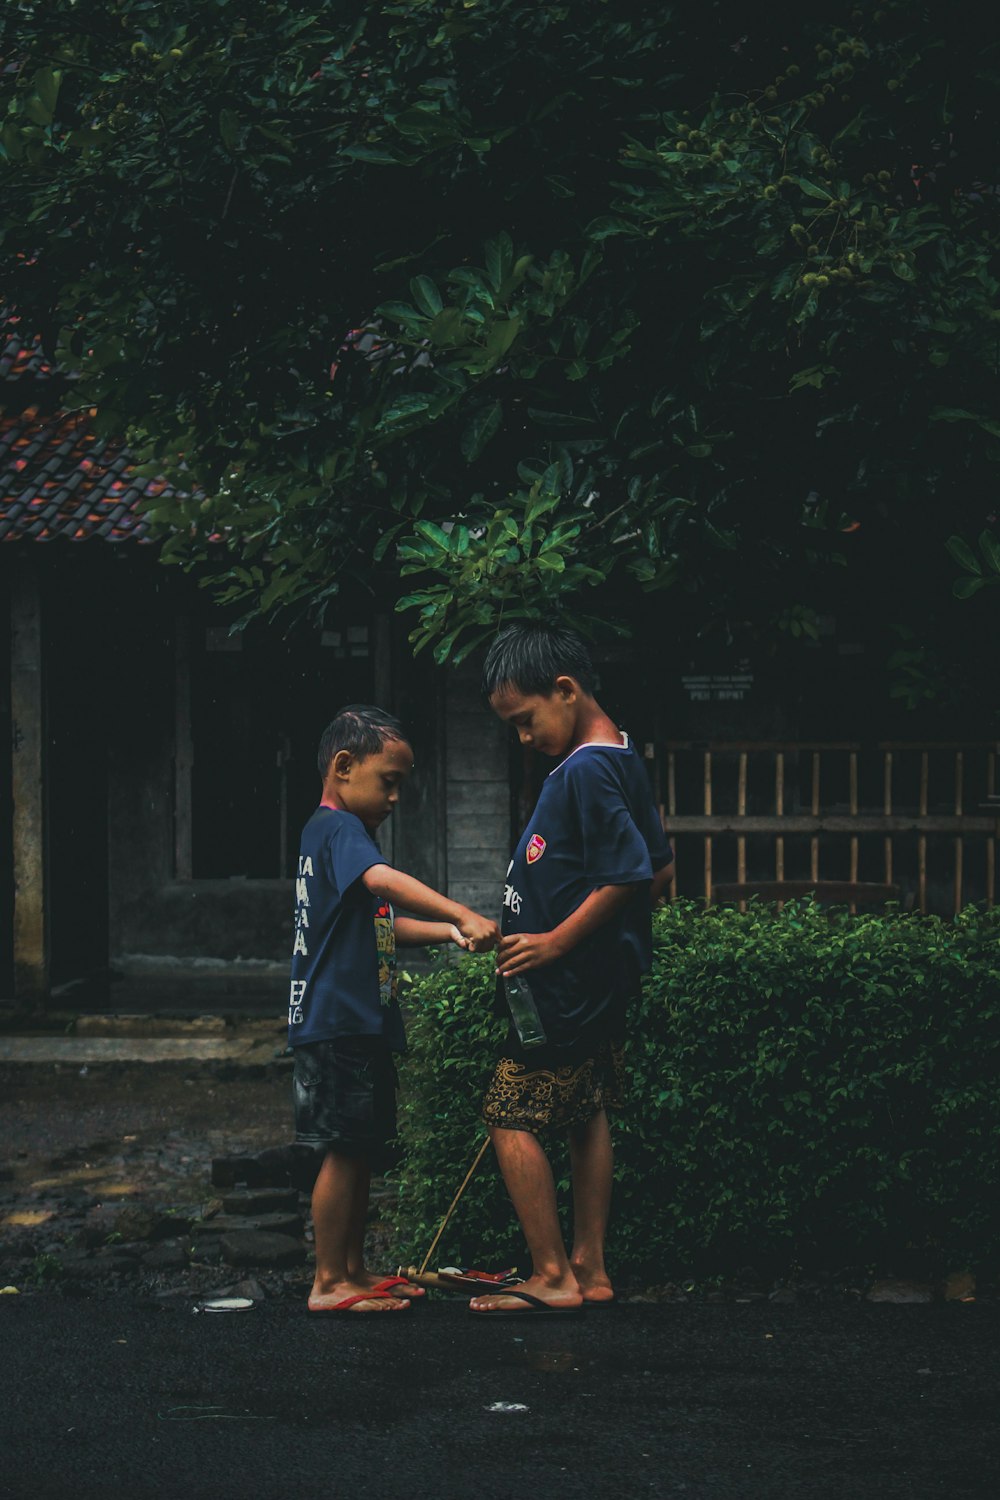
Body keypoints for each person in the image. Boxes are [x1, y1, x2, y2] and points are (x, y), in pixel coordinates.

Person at [469, 626, 673, 1316]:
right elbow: (660, 862)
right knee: (586, 1111)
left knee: (506, 1113)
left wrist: (555, 942)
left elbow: (632, 874)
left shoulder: (586, 767)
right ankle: (589, 1266)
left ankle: (552, 1274)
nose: (523, 738)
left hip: (566, 984)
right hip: (598, 980)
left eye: (525, 721)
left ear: (565, 690)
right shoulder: (619, 751)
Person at [289, 703, 498, 1314]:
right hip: (338, 1019)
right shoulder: (341, 833)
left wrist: (443, 936)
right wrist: (458, 911)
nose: (397, 797)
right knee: (343, 1147)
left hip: (353, 1018)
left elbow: (378, 925)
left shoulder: (327, 834)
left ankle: (352, 1269)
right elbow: (381, 884)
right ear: (344, 766)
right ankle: (329, 1281)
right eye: (391, 780)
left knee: (359, 1146)